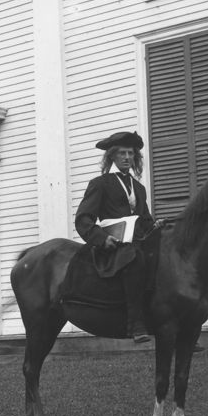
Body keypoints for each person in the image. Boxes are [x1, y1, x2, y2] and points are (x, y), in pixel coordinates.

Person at [74, 131, 159, 343]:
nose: (127, 157)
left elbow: (145, 220)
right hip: (113, 246)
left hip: (137, 241)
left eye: (130, 153)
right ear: (112, 156)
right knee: (135, 260)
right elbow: (83, 219)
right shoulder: (100, 184)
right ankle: (136, 324)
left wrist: (156, 225)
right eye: (122, 153)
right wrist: (102, 239)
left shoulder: (138, 188)